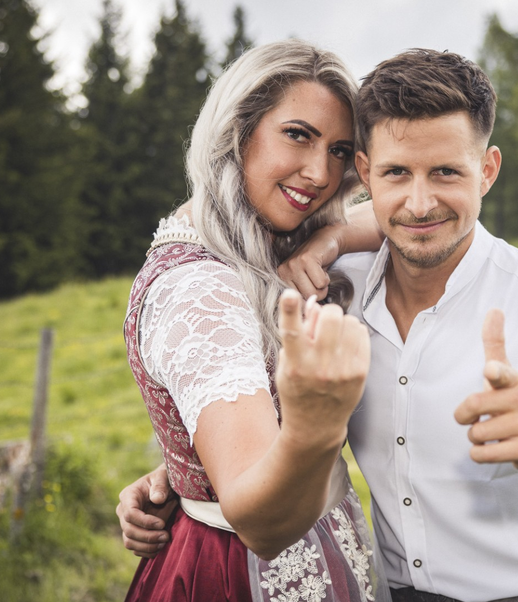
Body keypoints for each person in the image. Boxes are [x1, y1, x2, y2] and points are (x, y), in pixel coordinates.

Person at [121, 48, 518, 602]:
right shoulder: (332, 291)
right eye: (396, 173)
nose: (419, 204)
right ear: (366, 175)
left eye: (445, 172)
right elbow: (246, 409)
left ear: (486, 171)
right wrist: (183, 471)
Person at [120, 39, 389, 602]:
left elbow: (404, 208)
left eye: (340, 151)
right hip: (239, 575)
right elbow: (259, 522)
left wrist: (333, 235)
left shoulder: (250, 247)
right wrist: (319, 418)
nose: (320, 173)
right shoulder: (201, 288)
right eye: (298, 134)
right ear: (238, 130)